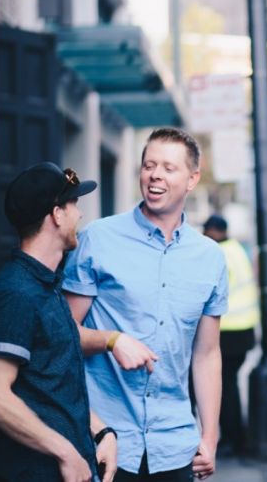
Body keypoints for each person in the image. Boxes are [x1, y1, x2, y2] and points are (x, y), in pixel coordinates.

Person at [63, 127, 228, 481]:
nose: (155, 175)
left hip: (176, 445)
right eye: (148, 165)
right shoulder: (97, 239)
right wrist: (111, 339)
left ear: (192, 179)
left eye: (169, 168)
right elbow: (61, 335)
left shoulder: (210, 258)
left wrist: (209, 436)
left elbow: (207, 354)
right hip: (103, 438)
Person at [0, 162, 116, 482]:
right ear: (56, 214)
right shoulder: (16, 294)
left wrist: (101, 432)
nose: (79, 215)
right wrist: (66, 453)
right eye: (73, 204)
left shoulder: (47, 286)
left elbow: (52, 387)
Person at [202, 214, 260, 457]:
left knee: (223, 388)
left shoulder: (220, 254)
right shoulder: (236, 248)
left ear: (214, 231)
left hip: (228, 330)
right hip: (244, 328)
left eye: (207, 231)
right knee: (229, 385)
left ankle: (232, 439)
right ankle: (236, 437)